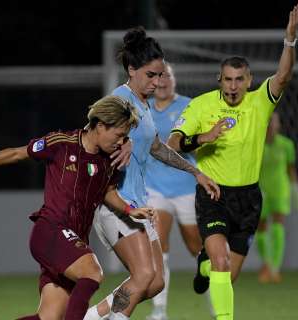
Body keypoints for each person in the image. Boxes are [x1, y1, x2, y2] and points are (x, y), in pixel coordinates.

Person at [0, 95, 156, 320]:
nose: (121, 142)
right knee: (92, 272)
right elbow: (16, 153)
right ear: (100, 125)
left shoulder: (109, 160)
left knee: (48, 318)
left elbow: (108, 193)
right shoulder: (62, 143)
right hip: (51, 230)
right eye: (119, 135)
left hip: (74, 240)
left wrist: (130, 210)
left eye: (125, 137)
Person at [166, 4, 298, 319]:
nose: (233, 86)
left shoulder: (259, 103)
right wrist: (203, 138)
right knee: (222, 264)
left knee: (227, 275)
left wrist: (290, 40)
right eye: (228, 79)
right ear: (220, 80)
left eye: (239, 79)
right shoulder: (201, 106)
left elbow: (283, 75)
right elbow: (173, 144)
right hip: (213, 193)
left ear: (249, 80)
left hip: (249, 198)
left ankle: (203, 265)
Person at [85, 27, 220, 320]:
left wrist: (194, 172)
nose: (158, 82)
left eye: (160, 75)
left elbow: (157, 146)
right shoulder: (118, 102)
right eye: (151, 75)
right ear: (131, 70)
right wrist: (121, 140)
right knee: (144, 275)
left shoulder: (142, 104)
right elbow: (91, 140)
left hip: (140, 203)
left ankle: (92, 316)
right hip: (119, 205)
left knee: (155, 282)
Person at [144, 63, 209, 320]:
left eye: (167, 76)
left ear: (174, 80)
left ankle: (218, 307)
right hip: (154, 188)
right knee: (158, 247)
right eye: (157, 76)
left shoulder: (190, 106)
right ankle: (159, 311)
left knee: (198, 248)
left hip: (186, 187)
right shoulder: (142, 109)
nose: (162, 81)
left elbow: (202, 144)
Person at [256, 113, 298, 284]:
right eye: (267, 122)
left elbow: (291, 169)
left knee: (277, 227)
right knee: (260, 231)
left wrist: (295, 188)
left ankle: (274, 268)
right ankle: (267, 264)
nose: (270, 125)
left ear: (278, 125)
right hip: (260, 191)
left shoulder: (286, 145)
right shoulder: (256, 144)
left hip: (280, 191)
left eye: (273, 122)